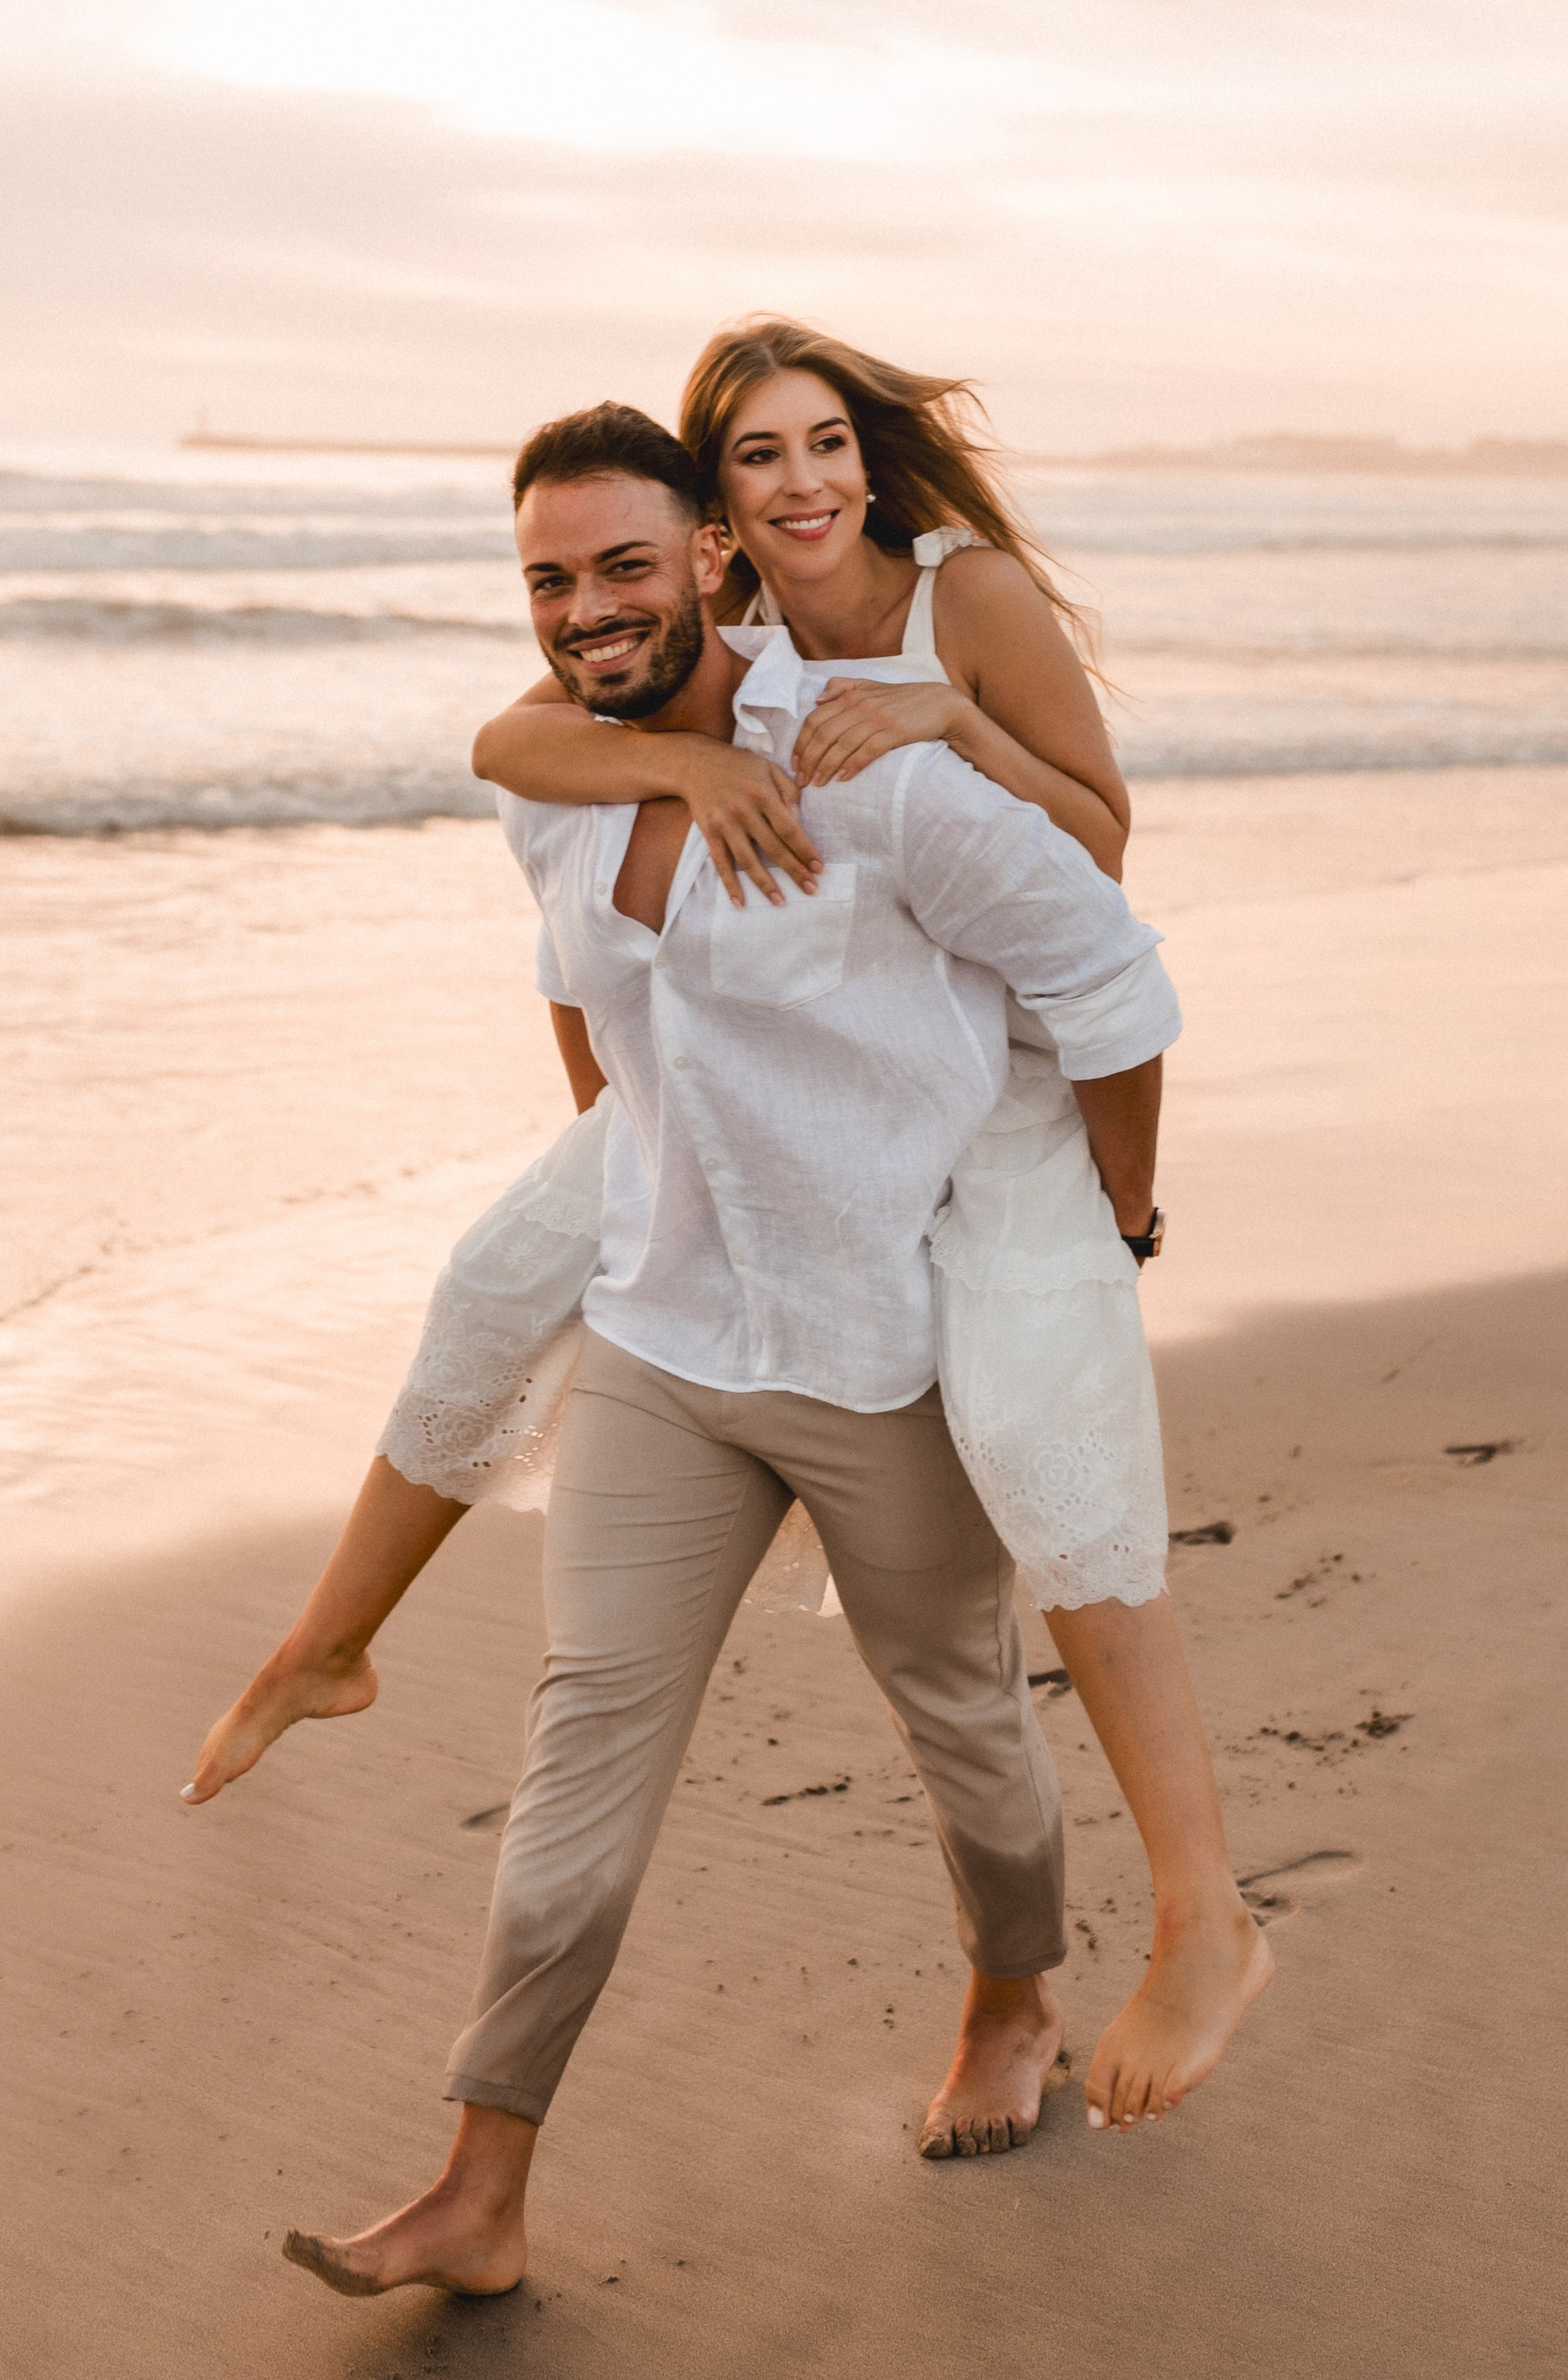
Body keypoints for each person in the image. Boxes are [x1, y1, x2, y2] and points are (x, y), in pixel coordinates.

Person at [188, 401, 1193, 2298]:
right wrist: (647, 1159)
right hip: (663, 1337)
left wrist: (1103, 1234)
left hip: (872, 1346)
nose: (583, 609)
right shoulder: (553, 779)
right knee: (582, 1746)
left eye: (623, 565)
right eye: (548, 579)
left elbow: (1111, 982)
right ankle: (479, 2186)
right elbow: (585, 1010)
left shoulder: (862, 768)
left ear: (716, 559)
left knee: (960, 1719)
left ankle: (1009, 1996)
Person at [466, 322, 1270, 2140]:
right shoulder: (713, 653)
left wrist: (949, 719)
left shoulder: (954, 594)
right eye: (758, 457)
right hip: (840, 1126)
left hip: (1009, 1107)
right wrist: (682, 776)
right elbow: (515, 740)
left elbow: (1100, 853)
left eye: (826, 442)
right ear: (713, 515)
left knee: (1061, 1496)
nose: (806, 481)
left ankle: (1200, 1916)